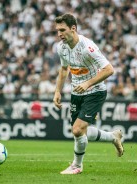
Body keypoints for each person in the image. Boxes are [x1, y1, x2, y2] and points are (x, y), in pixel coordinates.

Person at [52, 14, 124, 175]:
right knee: (80, 131)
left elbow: (109, 69)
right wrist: (57, 91)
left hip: (95, 91)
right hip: (77, 92)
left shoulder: (88, 47)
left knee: (77, 130)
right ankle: (113, 137)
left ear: (73, 28)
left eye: (62, 30)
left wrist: (87, 83)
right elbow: (64, 70)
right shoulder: (61, 47)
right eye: (57, 31)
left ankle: (77, 166)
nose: (59, 34)